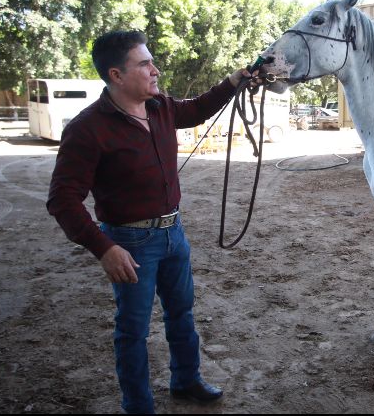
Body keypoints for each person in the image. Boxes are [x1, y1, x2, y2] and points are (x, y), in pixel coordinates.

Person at [47, 30, 258, 414]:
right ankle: (138, 406)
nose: (155, 70)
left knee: (182, 312)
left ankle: (186, 380)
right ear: (116, 75)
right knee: (133, 332)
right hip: (129, 243)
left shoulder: (159, 106)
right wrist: (104, 248)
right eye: (144, 64)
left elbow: (196, 109)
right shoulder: (87, 128)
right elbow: (62, 199)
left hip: (174, 233)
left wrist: (233, 81)